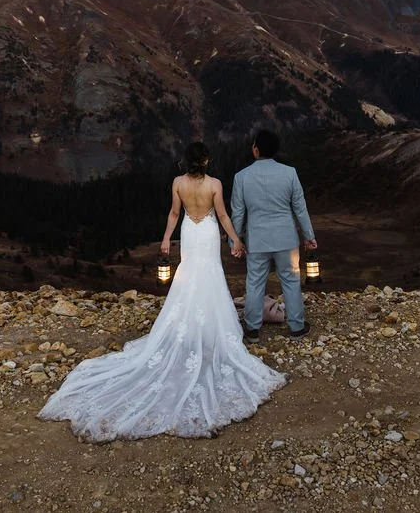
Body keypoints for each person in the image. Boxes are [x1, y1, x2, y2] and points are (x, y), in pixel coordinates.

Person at [38, 142, 286, 442]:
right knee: (209, 275)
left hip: (189, 233)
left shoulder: (178, 183)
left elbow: (173, 213)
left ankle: (186, 328)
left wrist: (167, 239)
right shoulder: (215, 184)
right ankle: (208, 330)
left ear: (186, 162)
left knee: (189, 275)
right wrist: (235, 240)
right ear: (206, 161)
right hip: (206, 233)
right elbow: (221, 217)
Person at [230, 130, 317, 344]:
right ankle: (296, 327)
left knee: (255, 282)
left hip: (257, 239)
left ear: (256, 149)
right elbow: (300, 208)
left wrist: (235, 241)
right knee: (290, 280)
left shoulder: (241, 177)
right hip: (286, 238)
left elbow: (238, 213)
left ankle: (252, 329)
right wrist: (309, 236)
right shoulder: (290, 173)